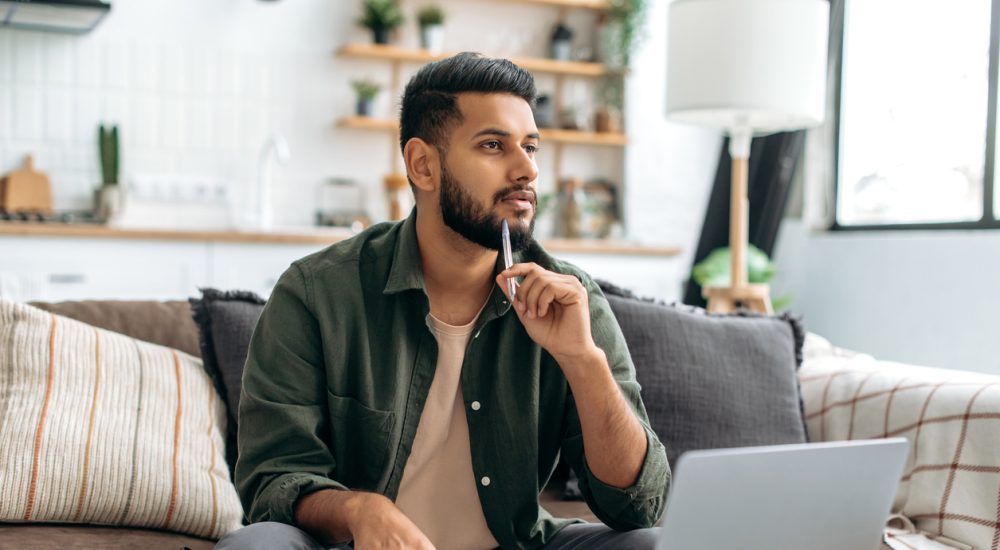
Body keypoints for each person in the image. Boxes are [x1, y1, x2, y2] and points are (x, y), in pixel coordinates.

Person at [215, 52, 669, 550]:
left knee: (651, 546)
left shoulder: (570, 298)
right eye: (494, 145)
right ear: (423, 165)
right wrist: (360, 510)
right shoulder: (317, 293)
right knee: (255, 546)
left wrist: (583, 360)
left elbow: (639, 506)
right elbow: (271, 482)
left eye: (531, 147)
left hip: (515, 544)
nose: (526, 170)